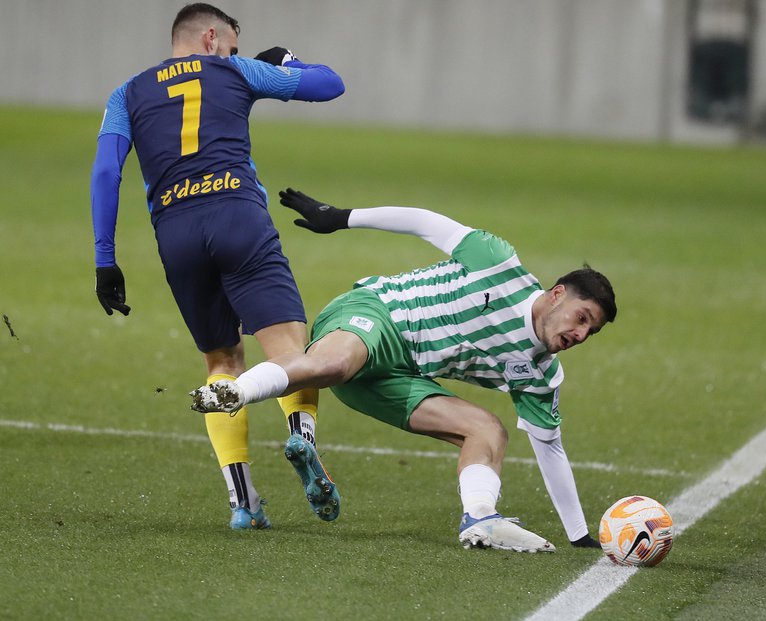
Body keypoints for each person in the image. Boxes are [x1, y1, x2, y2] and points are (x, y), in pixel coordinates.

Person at [191, 188, 618, 553]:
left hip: (396, 377)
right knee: (336, 364)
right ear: (558, 294)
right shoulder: (498, 263)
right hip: (377, 314)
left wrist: (579, 535)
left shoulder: (540, 373)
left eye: (592, 331)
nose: (581, 334)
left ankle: (481, 519)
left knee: (489, 430)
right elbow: (426, 222)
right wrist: (341, 218)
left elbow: (550, 448)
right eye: (582, 318)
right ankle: (235, 392)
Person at [90, 4, 345, 530]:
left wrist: (104, 259)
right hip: (237, 215)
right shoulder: (237, 70)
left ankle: (243, 503)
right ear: (211, 36)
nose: (234, 51)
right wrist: (288, 62)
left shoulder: (126, 93)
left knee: (222, 363)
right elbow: (330, 85)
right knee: (292, 349)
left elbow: (106, 172)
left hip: (176, 232)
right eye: (231, 42)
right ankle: (302, 435)